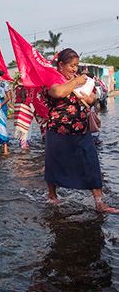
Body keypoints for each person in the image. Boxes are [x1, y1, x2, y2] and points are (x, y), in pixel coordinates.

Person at [43, 48, 119, 213]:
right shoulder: (52, 78)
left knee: (91, 162)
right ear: (61, 65)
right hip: (58, 131)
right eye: (71, 65)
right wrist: (75, 83)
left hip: (81, 130)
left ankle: (99, 203)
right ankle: (52, 196)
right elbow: (57, 92)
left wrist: (89, 99)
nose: (74, 69)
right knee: (54, 164)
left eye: (76, 65)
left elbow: (93, 98)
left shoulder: (80, 79)